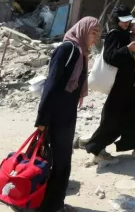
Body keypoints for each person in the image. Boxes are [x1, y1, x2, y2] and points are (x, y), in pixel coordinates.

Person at [34, 17, 100, 212]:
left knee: (60, 160)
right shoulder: (67, 50)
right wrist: (42, 120)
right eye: (93, 32)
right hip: (56, 117)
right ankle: (52, 206)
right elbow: (51, 86)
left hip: (66, 116)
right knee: (59, 162)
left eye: (98, 33)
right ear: (83, 30)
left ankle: (51, 204)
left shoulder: (81, 53)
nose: (96, 37)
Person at [83, 6, 135, 164]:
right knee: (113, 116)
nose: (126, 24)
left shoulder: (128, 35)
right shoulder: (115, 35)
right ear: (116, 21)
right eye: (123, 21)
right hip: (120, 83)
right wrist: (127, 49)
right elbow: (110, 57)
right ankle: (96, 149)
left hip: (131, 83)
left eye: (127, 21)